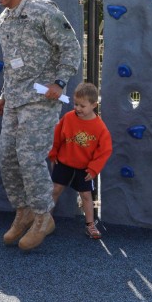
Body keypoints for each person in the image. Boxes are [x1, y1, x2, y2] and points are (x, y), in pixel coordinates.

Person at [0, 0, 82, 251]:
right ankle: (23, 211)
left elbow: (70, 47)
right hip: (15, 99)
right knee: (7, 157)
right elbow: (12, 65)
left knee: (29, 156)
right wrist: (4, 94)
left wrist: (60, 81)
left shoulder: (43, 11)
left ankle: (43, 216)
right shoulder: (3, 21)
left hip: (42, 97)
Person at [48, 82, 113, 239]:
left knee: (86, 196)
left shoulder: (100, 127)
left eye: (82, 106)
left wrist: (93, 169)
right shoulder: (68, 118)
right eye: (76, 104)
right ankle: (44, 219)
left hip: (84, 169)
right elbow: (57, 136)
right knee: (55, 190)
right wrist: (53, 153)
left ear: (94, 105)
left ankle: (90, 225)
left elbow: (105, 150)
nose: (77, 108)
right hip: (63, 163)